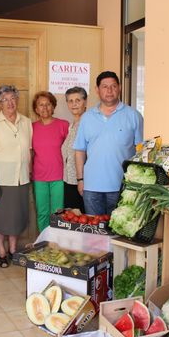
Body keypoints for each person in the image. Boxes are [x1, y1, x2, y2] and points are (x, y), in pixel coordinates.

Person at [73, 71, 143, 215]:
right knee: (94, 233)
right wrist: (80, 179)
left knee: (119, 233)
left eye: (113, 86)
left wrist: (136, 183)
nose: (109, 91)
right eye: (104, 87)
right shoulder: (86, 118)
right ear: (97, 90)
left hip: (123, 186)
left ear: (120, 88)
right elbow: (80, 151)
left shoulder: (134, 116)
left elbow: (141, 152)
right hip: (91, 187)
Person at [0, 85, 32, 268]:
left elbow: (30, 150)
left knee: (16, 217)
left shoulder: (26, 122)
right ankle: (1, 251)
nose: (10, 103)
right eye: (5, 99)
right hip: (0, 178)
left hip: (21, 178)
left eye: (13, 98)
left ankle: (13, 249)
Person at [31, 91, 68, 232]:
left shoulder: (63, 125)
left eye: (48, 104)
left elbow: (71, 150)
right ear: (36, 109)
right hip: (39, 177)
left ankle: (57, 244)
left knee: (58, 213)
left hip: (59, 176)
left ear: (53, 107)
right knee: (42, 213)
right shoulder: (32, 127)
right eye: (41, 105)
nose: (44, 108)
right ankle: (43, 243)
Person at [61, 86, 88, 212]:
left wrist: (81, 179)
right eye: (70, 101)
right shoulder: (71, 125)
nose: (74, 104)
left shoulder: (88, 123)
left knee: (82, 220)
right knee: (72, 220)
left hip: (82, 182)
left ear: (85, 101)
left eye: (78, 100)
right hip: (69, 181)